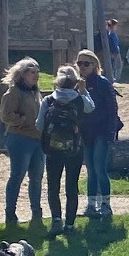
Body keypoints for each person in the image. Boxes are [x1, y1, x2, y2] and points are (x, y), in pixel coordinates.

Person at [38, 67, 94, 236]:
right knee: (71, 186)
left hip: (52, 150)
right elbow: (91, 108)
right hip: (74, 149)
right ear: (75, 81)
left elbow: (39, 125)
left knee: (53, 186)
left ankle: (56, 220)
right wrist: (84, 91)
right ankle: (69, 225)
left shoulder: (49, 100)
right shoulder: (79, 99)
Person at [0, 57, 45, 229]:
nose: (36, 76)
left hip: (38, 140)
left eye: (37, 73)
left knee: (37, 178)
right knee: (17, 176)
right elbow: (5, 115)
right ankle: (10, 213)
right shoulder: (14, 92)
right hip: (20, 139)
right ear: (23, 74)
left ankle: (36, 212)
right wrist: (23, 120)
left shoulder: (35, 92)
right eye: (32, 73)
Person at [75, 49, 122, 220]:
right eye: (79, 63)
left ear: (95, 65)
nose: (82, 67)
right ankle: (91, 204)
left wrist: (110, 132)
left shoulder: (102, 83)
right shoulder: (78, 84)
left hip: (102, 131)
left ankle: (106, 205)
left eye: (86, 63)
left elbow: (112, 109)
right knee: (90, 170)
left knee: (99, 168)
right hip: (87, 132)